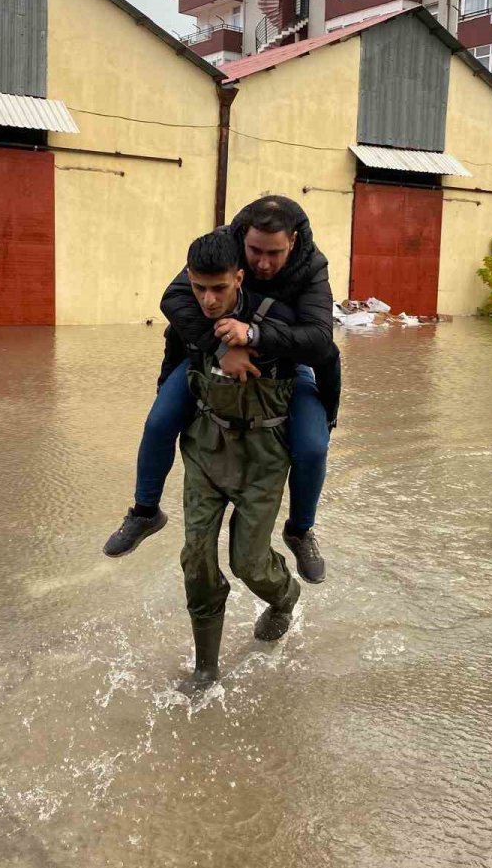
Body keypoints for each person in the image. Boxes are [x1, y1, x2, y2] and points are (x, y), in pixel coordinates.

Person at [103, 196, 339, 583]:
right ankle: (145, 512)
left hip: (286, 363)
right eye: (255, 251)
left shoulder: (312, 267)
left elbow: (319, 340)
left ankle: (300, 530)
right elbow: (175, 300)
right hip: (208, 354)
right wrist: (222, 347)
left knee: (313, 446)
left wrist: (255, 335)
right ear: (241, 239)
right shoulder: (221, 247)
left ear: (293, 242)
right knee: (159, 422)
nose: (263, 263)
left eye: (274, 253)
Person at [175, 230, 303, 694]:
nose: (209, 300)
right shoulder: (190, 321)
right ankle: (205, 667)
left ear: (240, 278)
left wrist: (254, 342)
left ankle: (286, 594)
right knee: (196, 558)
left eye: (219, 289)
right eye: (199, 288)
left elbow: (320, 351)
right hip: (206, 452)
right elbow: (173, 372)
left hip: (263, 461)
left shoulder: (276, 320)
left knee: (249, 562)